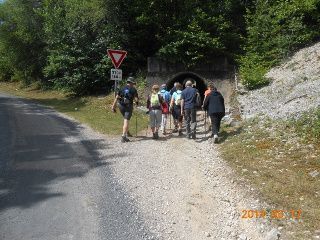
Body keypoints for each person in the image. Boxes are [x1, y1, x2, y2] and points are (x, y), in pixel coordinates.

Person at [111, 77, 139, 143]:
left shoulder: (121, 88)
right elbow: (136, 99)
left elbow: (116, 97)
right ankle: (123, 136)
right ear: (131, 83)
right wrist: (137, 103)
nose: (133, 84)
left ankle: (127, 132)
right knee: (126, 120)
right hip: (128, 106)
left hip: (120, 106)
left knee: (125, 119)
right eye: (133, 83)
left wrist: (113, 107)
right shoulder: (133, 89)